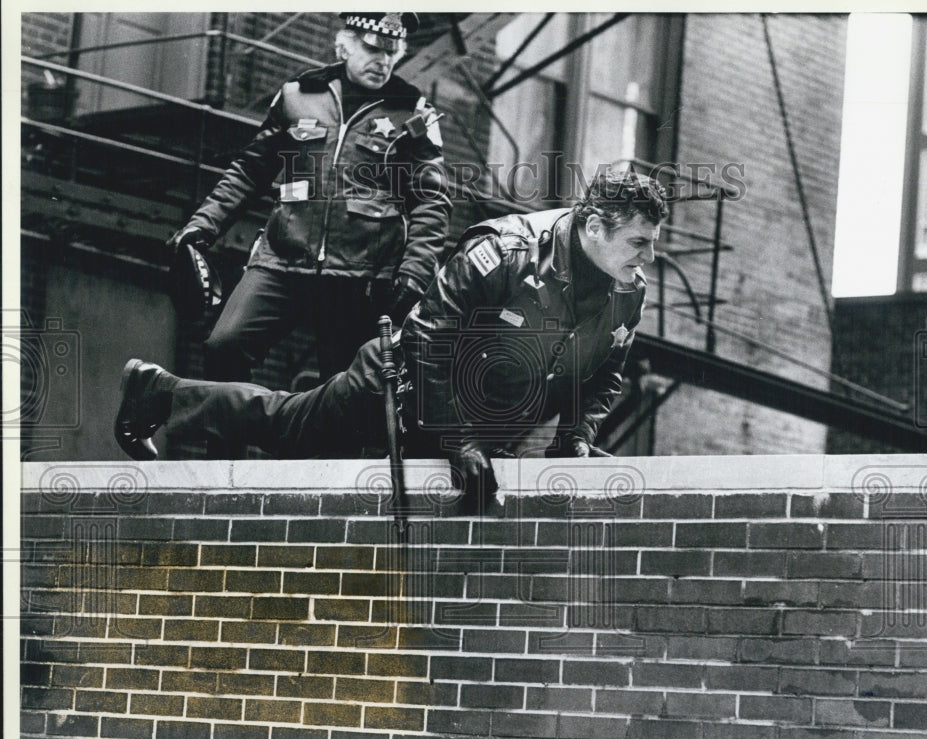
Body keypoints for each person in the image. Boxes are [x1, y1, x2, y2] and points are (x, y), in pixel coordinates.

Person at [117, 171, 669, 501]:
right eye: (639, 243)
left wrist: (575, 435)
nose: (649, 257)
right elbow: (428, 339)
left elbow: (605, 372)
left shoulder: (627, 289)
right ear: (595, 228)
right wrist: (459, 440)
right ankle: (159, 393)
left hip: (479, 426)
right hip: (396, 384)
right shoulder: (504, 251)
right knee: (287, 425)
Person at [166, 13, 451, 455]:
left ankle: (313, 491)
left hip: (360, 275)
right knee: (225, 345)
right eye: (373, 48)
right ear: (344, 46)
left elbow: (431, 202)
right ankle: (225, 466)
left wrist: (413, 276)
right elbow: (250, 168)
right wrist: (202, 225)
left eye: (393, 51)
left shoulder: (413, 112)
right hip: (282, 260)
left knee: (342, 395)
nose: (384, 60)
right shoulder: (298, 96)